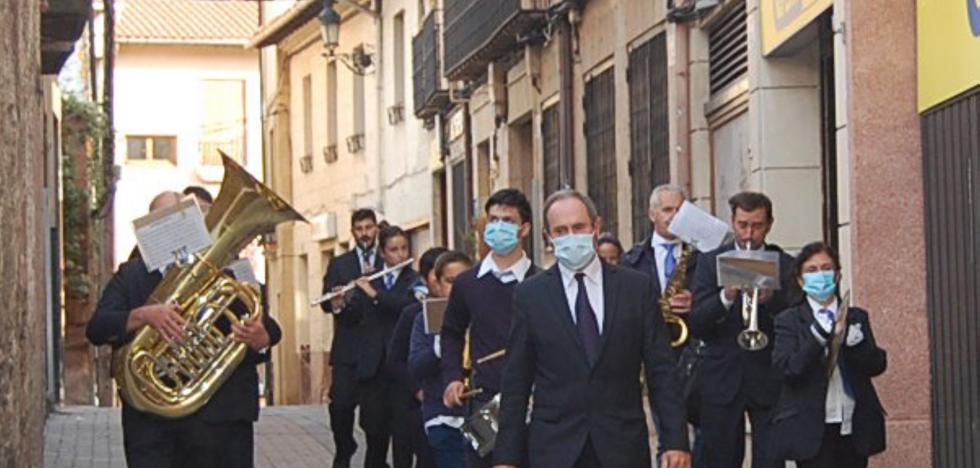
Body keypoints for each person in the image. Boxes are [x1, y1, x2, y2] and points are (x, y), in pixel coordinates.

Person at [492, 189, 691, 468]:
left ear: (596, 227)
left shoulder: (636, 288)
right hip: (554, 448)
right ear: (548, 237)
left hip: (622, 445)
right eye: (561, 230)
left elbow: (661, 369)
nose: (571, 236)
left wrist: (675, 441)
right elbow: (516, 380)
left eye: (578, 227)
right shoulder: (530, 295)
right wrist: (506, 457)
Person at [86, 190, 281, 468]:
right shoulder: (132, 275)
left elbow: (268, 328)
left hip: (213, 424)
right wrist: (144, 316)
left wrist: (261, 339)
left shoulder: (220, 273)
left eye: (182, 218)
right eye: (164, 220)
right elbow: (97, 328)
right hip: (151, 423)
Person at [688, 191, 802, 468]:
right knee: (720, 459)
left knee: (770, 459)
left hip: (768, 377)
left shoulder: (785, 264)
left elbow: (797, 316)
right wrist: (726, 297)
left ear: (770, 225)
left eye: (757, 225)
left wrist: (770, 300)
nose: (749, 233)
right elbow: (698, 322)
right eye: (742, 225)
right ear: (733, 221)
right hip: (723, 377)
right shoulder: (709, 261)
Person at [440, 188, 539, 468]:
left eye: (507, 220)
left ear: (524, 229)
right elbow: (451, 332)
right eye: (493, 220)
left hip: (537, 404)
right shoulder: (467, 284)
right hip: (485, 405)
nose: (498, 227)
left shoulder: (542, 281)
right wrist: (452, 376)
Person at [770, 242, 887, 468]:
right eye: (812, 270)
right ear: (801, 280)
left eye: (826, 268)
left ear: (837, 274)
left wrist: (857, 344)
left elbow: (877, 365)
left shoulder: (856, 316)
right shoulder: (789, 320)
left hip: (852, 423)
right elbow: (788, 369)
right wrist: (817, 337)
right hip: (811, 427)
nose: (820, 275)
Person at [621, 184, 703, 466]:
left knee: (705, 440)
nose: (674, 216)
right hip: (656, 359)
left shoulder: (702, 256)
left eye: (680, 210)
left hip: (697, 357)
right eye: (667, 210)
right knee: (668, 436)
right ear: (652, 214)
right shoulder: (631, 261)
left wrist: (698, 302)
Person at [320, 208, 385, 468]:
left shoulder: (386, 260)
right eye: (359, 229)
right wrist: (336, 303)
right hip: (348, 348)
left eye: (369, 228)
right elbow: (326, 303)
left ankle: (375, 460)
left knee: (375, 414)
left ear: (376, 229)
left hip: (377, 349)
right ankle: (344, 448)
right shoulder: (340, 263)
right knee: (340, 407)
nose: (365, 234)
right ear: (353, 232)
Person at [409, 251, 474, 468]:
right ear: (437, 283)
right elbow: (416, 367)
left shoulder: (483, 312)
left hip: (481, 412)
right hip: (442, 415)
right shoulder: (424, 319)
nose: (457, 288)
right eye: (450, 281)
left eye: (464, 281)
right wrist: (440, 345)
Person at [387, 247, 449, 468]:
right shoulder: (413, 314)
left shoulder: (472, 310)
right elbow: (395, 360)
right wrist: (418, 390)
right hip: (422, 408)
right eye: (439, 276)